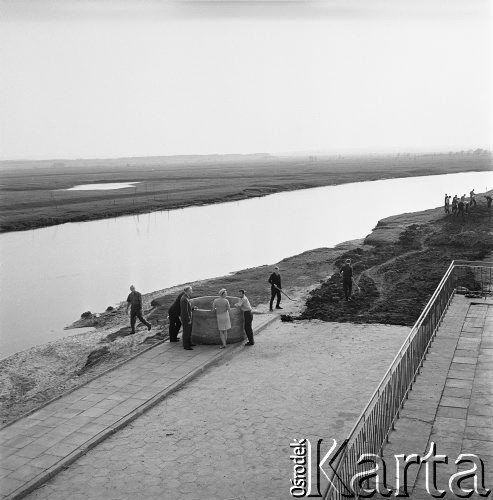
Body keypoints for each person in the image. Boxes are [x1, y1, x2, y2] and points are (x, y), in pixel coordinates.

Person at [180, 286, 196, 350]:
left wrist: (192, 308)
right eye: (190, 290)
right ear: (187, 291)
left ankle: (189, 343)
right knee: (186, 332)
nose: (191, 292)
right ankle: (186, 346)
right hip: (186, 319)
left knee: (189, 331)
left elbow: (188, 308)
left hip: (188, 317)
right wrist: (188, 319)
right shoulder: (184, 299)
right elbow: (185, 311)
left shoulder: (186, 297)